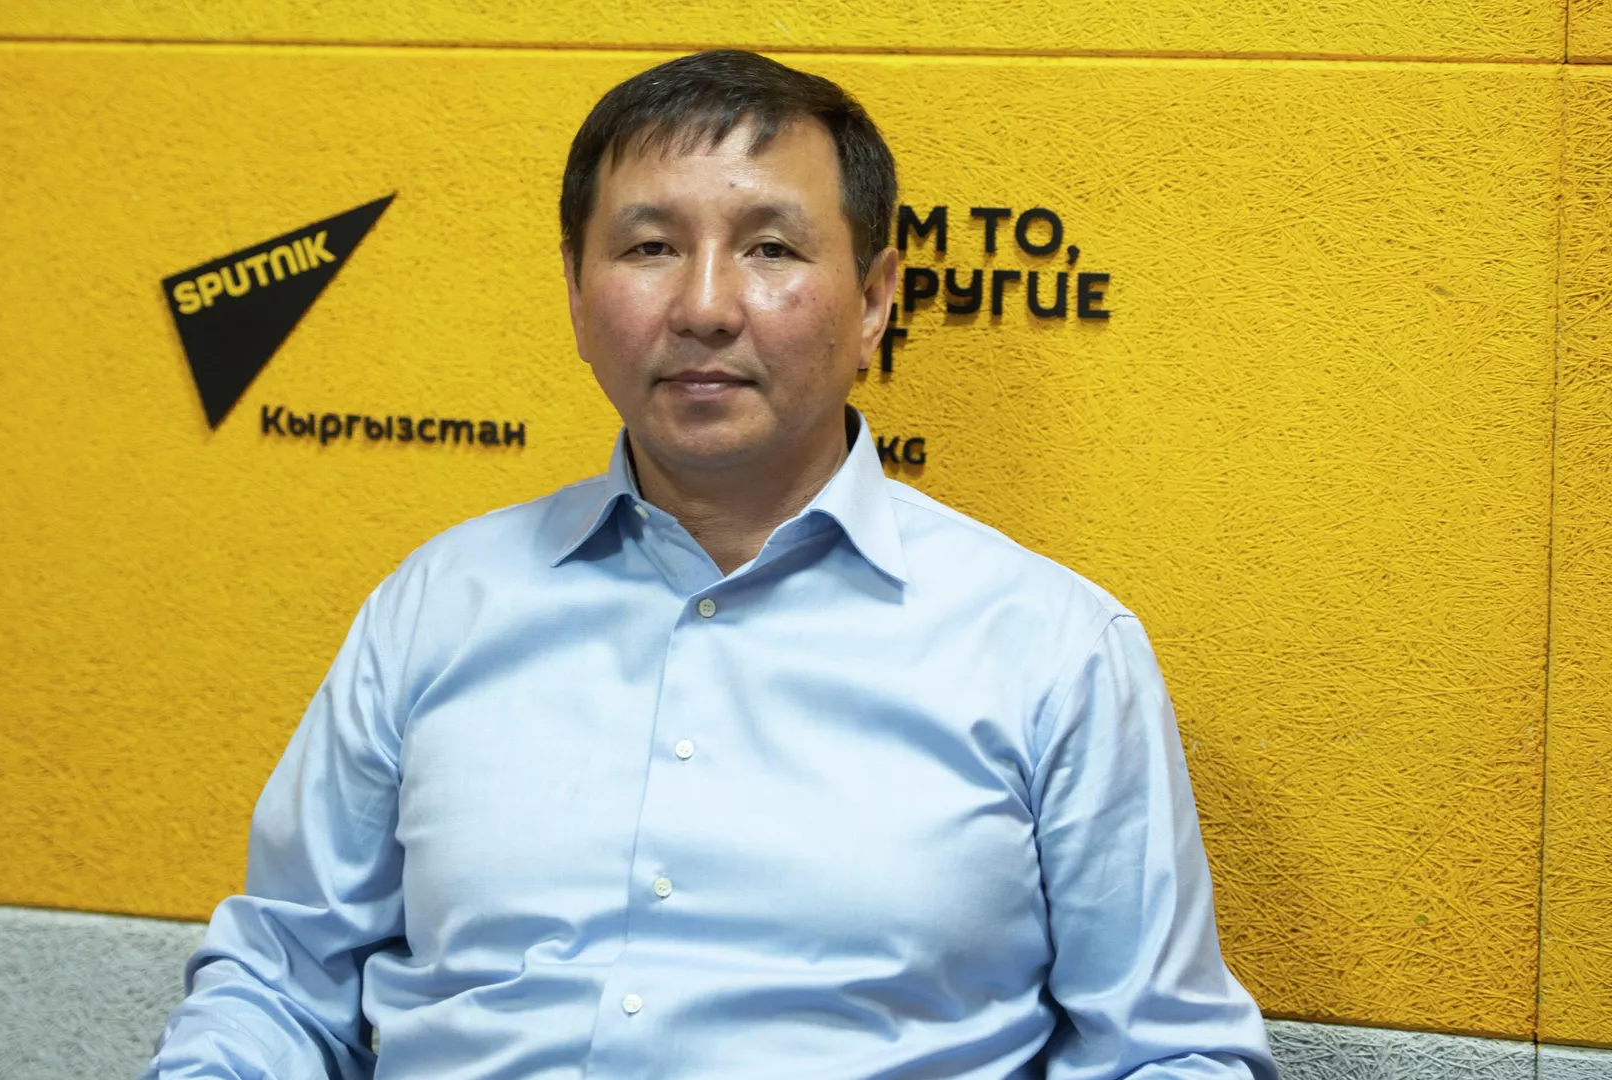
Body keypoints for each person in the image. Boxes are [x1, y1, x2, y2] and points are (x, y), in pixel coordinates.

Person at [143, 49, 1279, 1079]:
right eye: (649, 248)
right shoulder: (437, 608)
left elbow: (1171, 1053)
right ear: (577, 294)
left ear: (876, 299)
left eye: (771, 249)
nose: (702, 307)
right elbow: (281, 983)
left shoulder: (1051, 650)